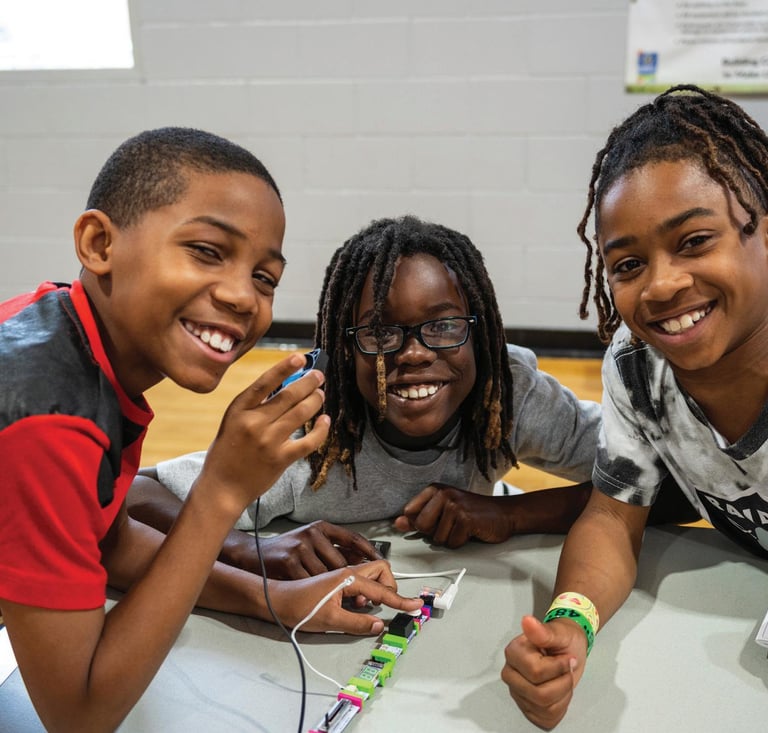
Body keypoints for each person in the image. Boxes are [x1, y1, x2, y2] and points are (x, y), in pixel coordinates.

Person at [0, 128, 422, 732]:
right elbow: (80, 714)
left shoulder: (63, 331)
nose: (242, 296)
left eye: (265, 278)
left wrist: (272, 595)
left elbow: (109, 544)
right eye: (206, 250)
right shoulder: (47, 420)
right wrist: (220, 492)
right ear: (99, 243)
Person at [129, 214, 609, 580]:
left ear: (479, 336)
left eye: (444, 326)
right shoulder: (307, 429)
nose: (415, 353)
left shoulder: (504, 394)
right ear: (345, 351)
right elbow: (134, 493)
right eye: (380, 334)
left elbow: (645, 477)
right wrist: (247, 551)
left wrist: (511, 514)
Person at [501, 84, 768, 729]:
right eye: (627, 265)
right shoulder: (638, 364)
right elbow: (613, 519)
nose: (662, 284)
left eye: (695, 240)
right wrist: (571, 621)